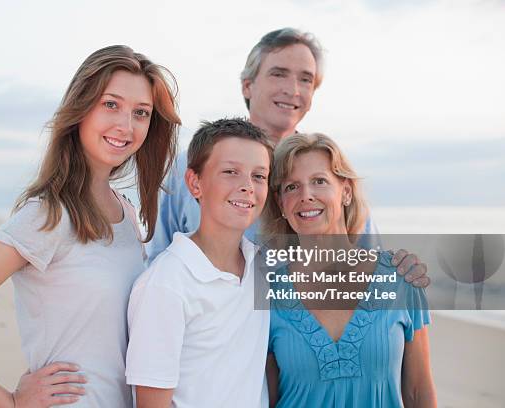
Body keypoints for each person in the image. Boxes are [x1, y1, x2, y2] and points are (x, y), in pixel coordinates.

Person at [0, 45, 180, 407]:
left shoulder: (125, 213)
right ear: (81, 108)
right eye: (111, 104)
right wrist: (9, 403)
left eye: (141, 113)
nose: (126, 125)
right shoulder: (48, 214)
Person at [147, 27, 429, 287]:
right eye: (279, 73)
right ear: (247, 86)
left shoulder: (329, 173)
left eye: (305, 79)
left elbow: (370, 267)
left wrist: (403, 270)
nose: (292, 89)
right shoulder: (192, 165)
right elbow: (158, 260)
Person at [263, 133, 437, 407]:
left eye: (319, 181)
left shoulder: (401, 278)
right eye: (291, 187)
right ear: (281, 204)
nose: (306, 195)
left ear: (345, 191)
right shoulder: (268, 294)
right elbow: (268, 399)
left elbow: (418, 393)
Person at [125, 118, 272, 407]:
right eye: (230, 172)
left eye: (259, 176)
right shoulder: (166, 285)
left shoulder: (260, 267)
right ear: (195, 183)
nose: (247, 187)